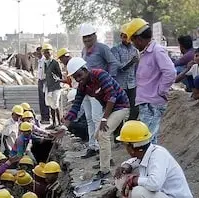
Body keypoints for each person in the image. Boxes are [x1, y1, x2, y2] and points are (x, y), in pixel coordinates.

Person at [114, 120, 195, 198]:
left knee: (138, 192)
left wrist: (135, 180)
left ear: (132, 148)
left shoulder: (158, 156)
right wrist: (126, 166)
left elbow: (154, 184)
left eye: (126, 146)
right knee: (121, 178)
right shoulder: (146, 152)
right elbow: (135, 161)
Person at [58, 56, 130, 179]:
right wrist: (65, 126)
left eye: (80, 75)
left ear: (85, 70)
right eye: (76, 78)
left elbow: (112, 96)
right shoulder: (82, 86)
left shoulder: (100, 74)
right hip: (109, 109)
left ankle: (105, 171)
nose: (79, 79)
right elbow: (76, 106)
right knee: (98, 135)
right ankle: (107, 160)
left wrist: (104, 119)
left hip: (121, 106)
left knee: (103, 134)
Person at [125, 18, 175, 145]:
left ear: (138, 39)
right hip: (146, 101)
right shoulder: (145, 53)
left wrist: (161, 91)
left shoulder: (157, 51)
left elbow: (170, 72)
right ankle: (149, 162)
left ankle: (150, 162)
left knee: (148, 139)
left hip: (152, 102)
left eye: (133, 41)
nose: (134, 45)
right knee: (147, 137)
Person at [78, 24, 118, 159]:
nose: (87, 39)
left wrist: (109, 80)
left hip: (98, 89)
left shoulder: (102, 48)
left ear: (95, 36)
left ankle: (102, 147)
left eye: (89, 37)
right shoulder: (83, 51)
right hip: (87, 89)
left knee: (97, 118)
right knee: (89, 118)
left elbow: (113, 63)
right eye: (85, 37)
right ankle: (92, 146)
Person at [112, 27, 139, 121]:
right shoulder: (115, 49)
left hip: (132, 83)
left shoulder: (135, 49)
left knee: (135, 108)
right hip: (120, 84)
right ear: (121, 36)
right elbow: (119, 67)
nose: (126, 39)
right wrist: (131, 62)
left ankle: (130, 126)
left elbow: (137, 67)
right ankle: (118, 132)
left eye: (128, 37)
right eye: (124, 37)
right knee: (119, 109)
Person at [43, 45, 64, 127]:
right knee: (51, 105)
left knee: (55, 105)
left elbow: (60, 75)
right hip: (49, 87)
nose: (46, 54)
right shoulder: (45, 63)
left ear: (51, 52)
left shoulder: (55, 63)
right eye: (45, 53)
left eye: (48, 52)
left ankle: (59, 123)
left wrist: (56, 79)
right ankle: (54, 123)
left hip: (56, 87)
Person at [37, 47, 49, 123]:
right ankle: (43, 117)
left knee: (45, 100)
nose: (38, 54)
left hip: (45, 81)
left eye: (39, 53)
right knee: (41, 100)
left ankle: (46, 118)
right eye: (37, 53)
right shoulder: (39, 61)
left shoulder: (45, 61)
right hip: (40, 81)